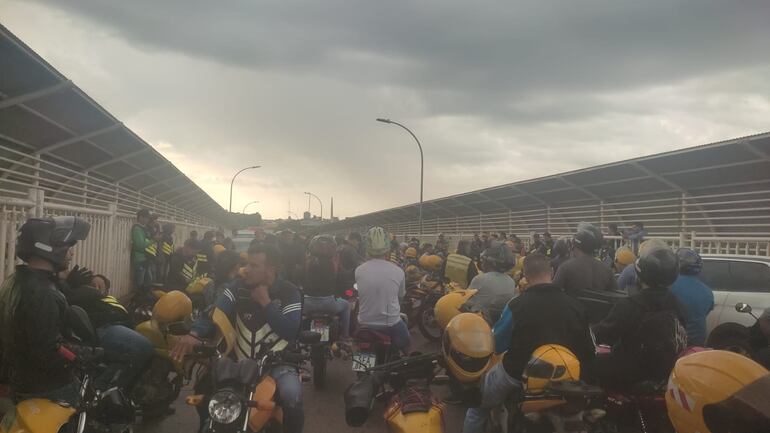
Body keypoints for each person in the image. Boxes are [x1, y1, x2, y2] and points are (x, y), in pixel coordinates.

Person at [172, 243, 304, 433]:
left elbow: (290, 331)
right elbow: (215, 311)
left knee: (292, 394)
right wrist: (194, 334)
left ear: (271, 269)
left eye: (253, 266)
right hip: (239, 362)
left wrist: (266, 303)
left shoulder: (289, 291)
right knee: (205, 387)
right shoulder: (237, 287)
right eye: (246, 264)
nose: (246, 270)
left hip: (278, 363)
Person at [464, 254, 593, 433]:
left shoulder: (516, 305)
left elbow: (498, 344)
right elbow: (588, 349)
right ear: (552, 272)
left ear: (525, 275)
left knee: (477, 408)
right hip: (565, 380)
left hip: (517, 374)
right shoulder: (576, 306)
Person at [0, 217, 90, 404]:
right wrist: (88, 354)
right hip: (47, 387)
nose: (71, 254)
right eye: (67, 248)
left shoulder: (15, 280)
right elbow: (49, 349)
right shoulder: (44, 293)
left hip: (19, 377)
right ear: (49, 247)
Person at [590, 240, 689, 390]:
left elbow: (603, 335)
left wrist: (589, 330)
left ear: (640, 275)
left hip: (631, 372)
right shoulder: (678, 304)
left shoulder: (629, 305)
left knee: (589, 364)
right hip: (665, 372)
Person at [60, 267, 153, 392]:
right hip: (106, 327)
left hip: (122, 327)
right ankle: (103, 390)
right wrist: (76, 285)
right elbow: (68, 295)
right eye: (93, 284)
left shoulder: (110, 299)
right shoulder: (87, 295)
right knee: (143, 346)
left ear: (107, 290)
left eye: (100, 285)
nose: (96, 288)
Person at [355, 227, 410, 353]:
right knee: (406, 342)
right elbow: (401, 296)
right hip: (391, 323)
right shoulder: (398, 271)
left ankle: (361, 365)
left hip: (364, 322)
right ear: (388, 248)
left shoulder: (359, 270)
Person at [303, 235, 351, 340]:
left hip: (307, 305)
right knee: (347, 306)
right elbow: (346, 288)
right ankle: (345, 336)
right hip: (329, 304)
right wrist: (349, 295)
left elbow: (296, 284)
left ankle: (294, 337)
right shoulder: (335, 265)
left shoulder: (305, 264)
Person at [553, 222, 618, 295]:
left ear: (575, 247)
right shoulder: (607, 270)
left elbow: (554, 294)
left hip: (571, 305)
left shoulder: (565, 268)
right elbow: (616, 295)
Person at [670, 248, 714, 347]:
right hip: (698, 342)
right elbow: (705, 312)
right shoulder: (707, 291)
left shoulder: (669, 285)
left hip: (675, 341)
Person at [465, 242, 517, 325]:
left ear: (490, 263)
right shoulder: (511, 281)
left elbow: (465, 302)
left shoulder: (480, 279)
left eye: (483, 261)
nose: (482, 263)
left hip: (480, 323)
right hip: (499, 324)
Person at [131, 209, 156, 291]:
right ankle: (138, 298)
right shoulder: (137, 229)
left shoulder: (143, 228)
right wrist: (154, 240)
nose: (147, 220)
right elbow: (140, 245)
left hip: (145, 258)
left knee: (148, 280)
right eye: (146, 217)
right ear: (140, 217)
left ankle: (143, 297)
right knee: (140, 282)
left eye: (148, 218)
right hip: (140, 259)